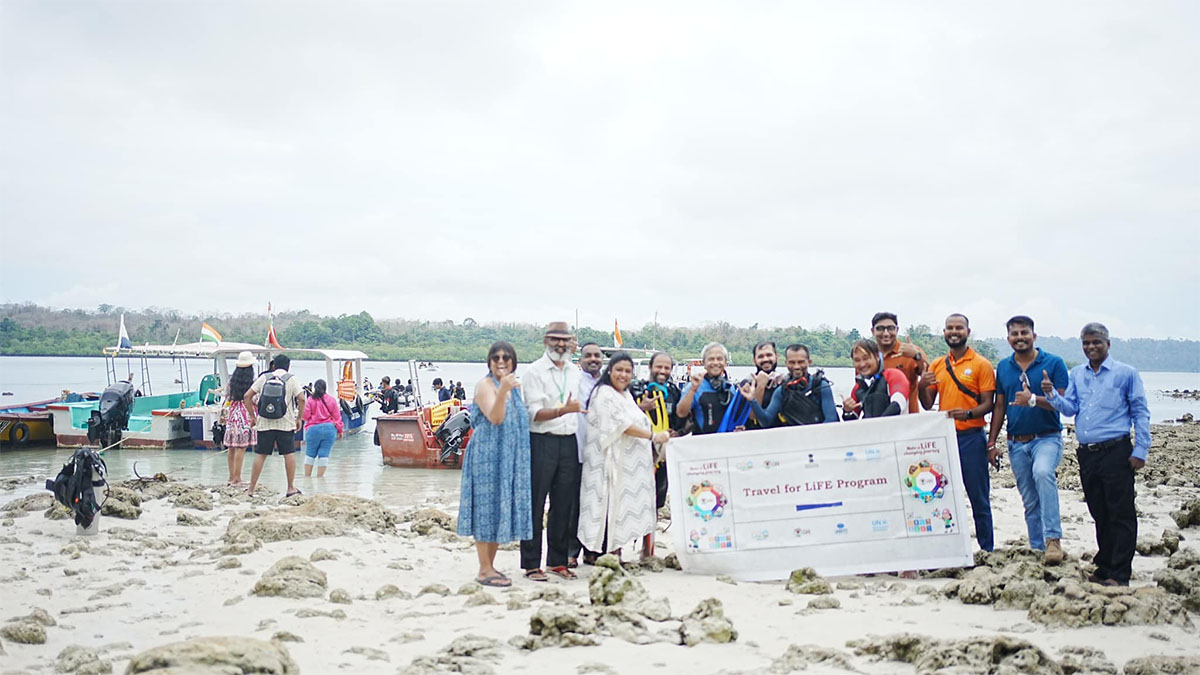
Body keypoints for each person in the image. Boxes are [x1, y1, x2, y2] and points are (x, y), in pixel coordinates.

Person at [1045, 323, 1150, 587]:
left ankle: (1120, 573)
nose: (1091, 347)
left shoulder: (1126, 373)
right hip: (1087, 454)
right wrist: (1050, 395)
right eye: (1086, 343)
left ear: (1108, 344)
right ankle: (1104, 567)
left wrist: (1141, 449)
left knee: (1121, 513)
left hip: (1116, 450)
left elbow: (1140, 412)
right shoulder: (1077, 374)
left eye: (1096, 343)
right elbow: (1070, 408)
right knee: (1099, 511)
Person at [987, 316, 1070, 564]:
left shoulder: (1054, 363)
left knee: (1043, 473)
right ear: (1008, 338)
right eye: (1015, 334)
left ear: (1034, 336)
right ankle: (1037, 548)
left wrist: (1036, 398)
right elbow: (999, 406)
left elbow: (1063, 405)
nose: (1020, 337)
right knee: (1030, 499)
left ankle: (1053, 539)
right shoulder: (1003, 367)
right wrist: (991, 443)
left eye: (1024, 333)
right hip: (1016, 442)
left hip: (1047, 438)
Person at [578, 352, 668, 561]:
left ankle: (615, 550)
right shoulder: (603, 393)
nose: (623, 375)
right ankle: (600, 553)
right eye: (619, 370)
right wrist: (653, 436)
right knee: (605, 507)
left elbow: (632, 417)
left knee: (621, 509)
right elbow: (622, 425)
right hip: (606, 465)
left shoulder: (625, 395)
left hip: (627, 465)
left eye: (628, 371)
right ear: (610, 370)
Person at [918, 314, 996, 552]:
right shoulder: (938, 364)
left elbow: (989, 403)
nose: (954, 332)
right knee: (942, 496)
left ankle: (987, 549)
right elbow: (928, 403)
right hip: (944, 440)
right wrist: (921, 385)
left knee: (978, 498)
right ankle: (948, 548)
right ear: (943, 333)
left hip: (972, 437)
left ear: (968, 332)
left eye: (959, 328)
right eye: (950, 328)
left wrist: (969, 414)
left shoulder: (981, 364)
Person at [457, 341, 532, 588]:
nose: (501, 361)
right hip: (486, 456)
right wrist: (503, 391)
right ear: (489, 362)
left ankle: (490, 566)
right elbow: (496, 418)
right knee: (485, 510)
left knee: (500, 508)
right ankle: (483, 569)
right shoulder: (485, 385)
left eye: (506, 357)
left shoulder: (512, 386)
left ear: (513, 361)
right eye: (496, 357)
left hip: (508, 456)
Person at [520, 321, 584, 581]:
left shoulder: (575, 371)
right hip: (541, 441)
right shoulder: (534, 372)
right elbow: (533, 413)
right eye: (555, 339)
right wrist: (562, 410)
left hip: (569, 441)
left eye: (565, 340)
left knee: (563, 504)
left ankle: (557, 561)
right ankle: (531, 564)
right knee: (535, 503)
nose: (560, 344)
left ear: (571, 342)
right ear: (546, 341)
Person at [636, 351, 689, 556]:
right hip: (639, 451)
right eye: (659, 366)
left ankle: (647, 551)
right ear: (650, 367)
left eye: (667, 368)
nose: (663, 371)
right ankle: (618, 551)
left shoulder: (675, 392)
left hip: (664, 454)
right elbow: (621, 414)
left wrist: (678, 432)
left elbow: (682, 419)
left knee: (656, 500)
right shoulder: (636, 388)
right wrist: (641, 406)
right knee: (634, 499)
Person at [244, 353, 306, 498]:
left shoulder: (264, 378)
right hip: (286, 424)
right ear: (288, 366)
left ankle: (251, 489)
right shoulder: (291, 379)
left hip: (264, 423)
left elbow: (247, 396)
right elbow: (302, 398)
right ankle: (290, 488)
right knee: (288, 454)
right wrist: (299, 418)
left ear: (273, 365)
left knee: (261, 455)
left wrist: (253, 417)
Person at [570, 342, 606, 567]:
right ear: (580, 359)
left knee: (598, 504)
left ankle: (593, 550)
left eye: (597, 355)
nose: (593, 359)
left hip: (603, 454)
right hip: (577, 449)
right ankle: (571, 551)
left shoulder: (609, 383)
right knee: (573, 504)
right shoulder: (574, 382)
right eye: (588, 356)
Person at [748, 344, 838, 426]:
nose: (796, 367)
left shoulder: (821, 386)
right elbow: (766, 421)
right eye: (792, 362)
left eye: (801, 362)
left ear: (809, 362)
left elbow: (831, 420)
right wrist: (753, 400)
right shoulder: (782, 390)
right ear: (786, 363)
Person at [677, 343, 753, 434]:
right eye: (711, 359)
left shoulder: (730, 388)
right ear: (704, 363)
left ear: (725, 363)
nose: (716, 362)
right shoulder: (694, 386)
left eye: (719, 359)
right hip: (702, 443)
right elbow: (681, 413)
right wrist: (693, 389)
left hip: (726, 443)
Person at [871, 312, 927, 414]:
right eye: (880, 329)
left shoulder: (911, 351)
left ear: (897, 330)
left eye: (891, 328)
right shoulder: (868, 357)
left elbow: (929, 374)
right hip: (876, 422)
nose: (886, 333)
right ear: (872, 331)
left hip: (908, 420)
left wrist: (916, 356)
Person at [843, 339, 909, 419]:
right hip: (872, 430)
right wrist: (847, 411)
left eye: (866, 358)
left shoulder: (894, 376)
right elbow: (852, 422)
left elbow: (898, 405)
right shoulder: (857, 388)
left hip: (896, 429)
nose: (862, 364)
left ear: (877, 356)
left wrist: (877, 426)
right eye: (857, 360)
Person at [222, 351, 258, 486]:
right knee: (241, 448)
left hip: (233, 414)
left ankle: (231, 477)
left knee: (231, 447)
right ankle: (238, 478)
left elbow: (227, 396)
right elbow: (255, 399)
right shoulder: (253, 383)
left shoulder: (232, 381)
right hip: (245, 414)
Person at [302, 379, 344, 478]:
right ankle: (320, 479)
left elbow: (305, 416)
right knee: (324, 453)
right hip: (329, 429)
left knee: (310, 453)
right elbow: (337, 417)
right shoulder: (331, 400)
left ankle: (307, 478)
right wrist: (340, 430)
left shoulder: (310, 400)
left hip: (313, 429)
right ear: (325, 388)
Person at [745, 341, 781, 429]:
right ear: (754, 360)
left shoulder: (784, 383)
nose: (765, 359)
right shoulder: (747, 384)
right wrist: (761, 385)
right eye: (760, 356)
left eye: (769, 355)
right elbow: (752, 416)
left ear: (776, 357)